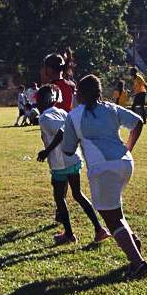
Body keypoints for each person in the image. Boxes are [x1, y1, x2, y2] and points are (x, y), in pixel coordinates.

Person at [60, 75, 147, 280]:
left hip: (102, 167)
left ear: (80, 95)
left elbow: (67, 150)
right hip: (125, 163)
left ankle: (137, 264)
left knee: (111, 217)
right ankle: (132, 243)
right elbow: (137, 123)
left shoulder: (74, 116)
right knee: (114, 211)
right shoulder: (110, 108)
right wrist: (128, 148)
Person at [35, 85, 112, 245]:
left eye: (37, 100)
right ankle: (99, 229)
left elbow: (62, 132)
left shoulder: (44, 117)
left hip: (60, 163)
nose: (36, 104)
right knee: (78, 194)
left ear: (43, 100)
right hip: (73, 159)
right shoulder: (62, 112)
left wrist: (46, 151)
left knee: (59, 198)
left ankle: (69, 234)